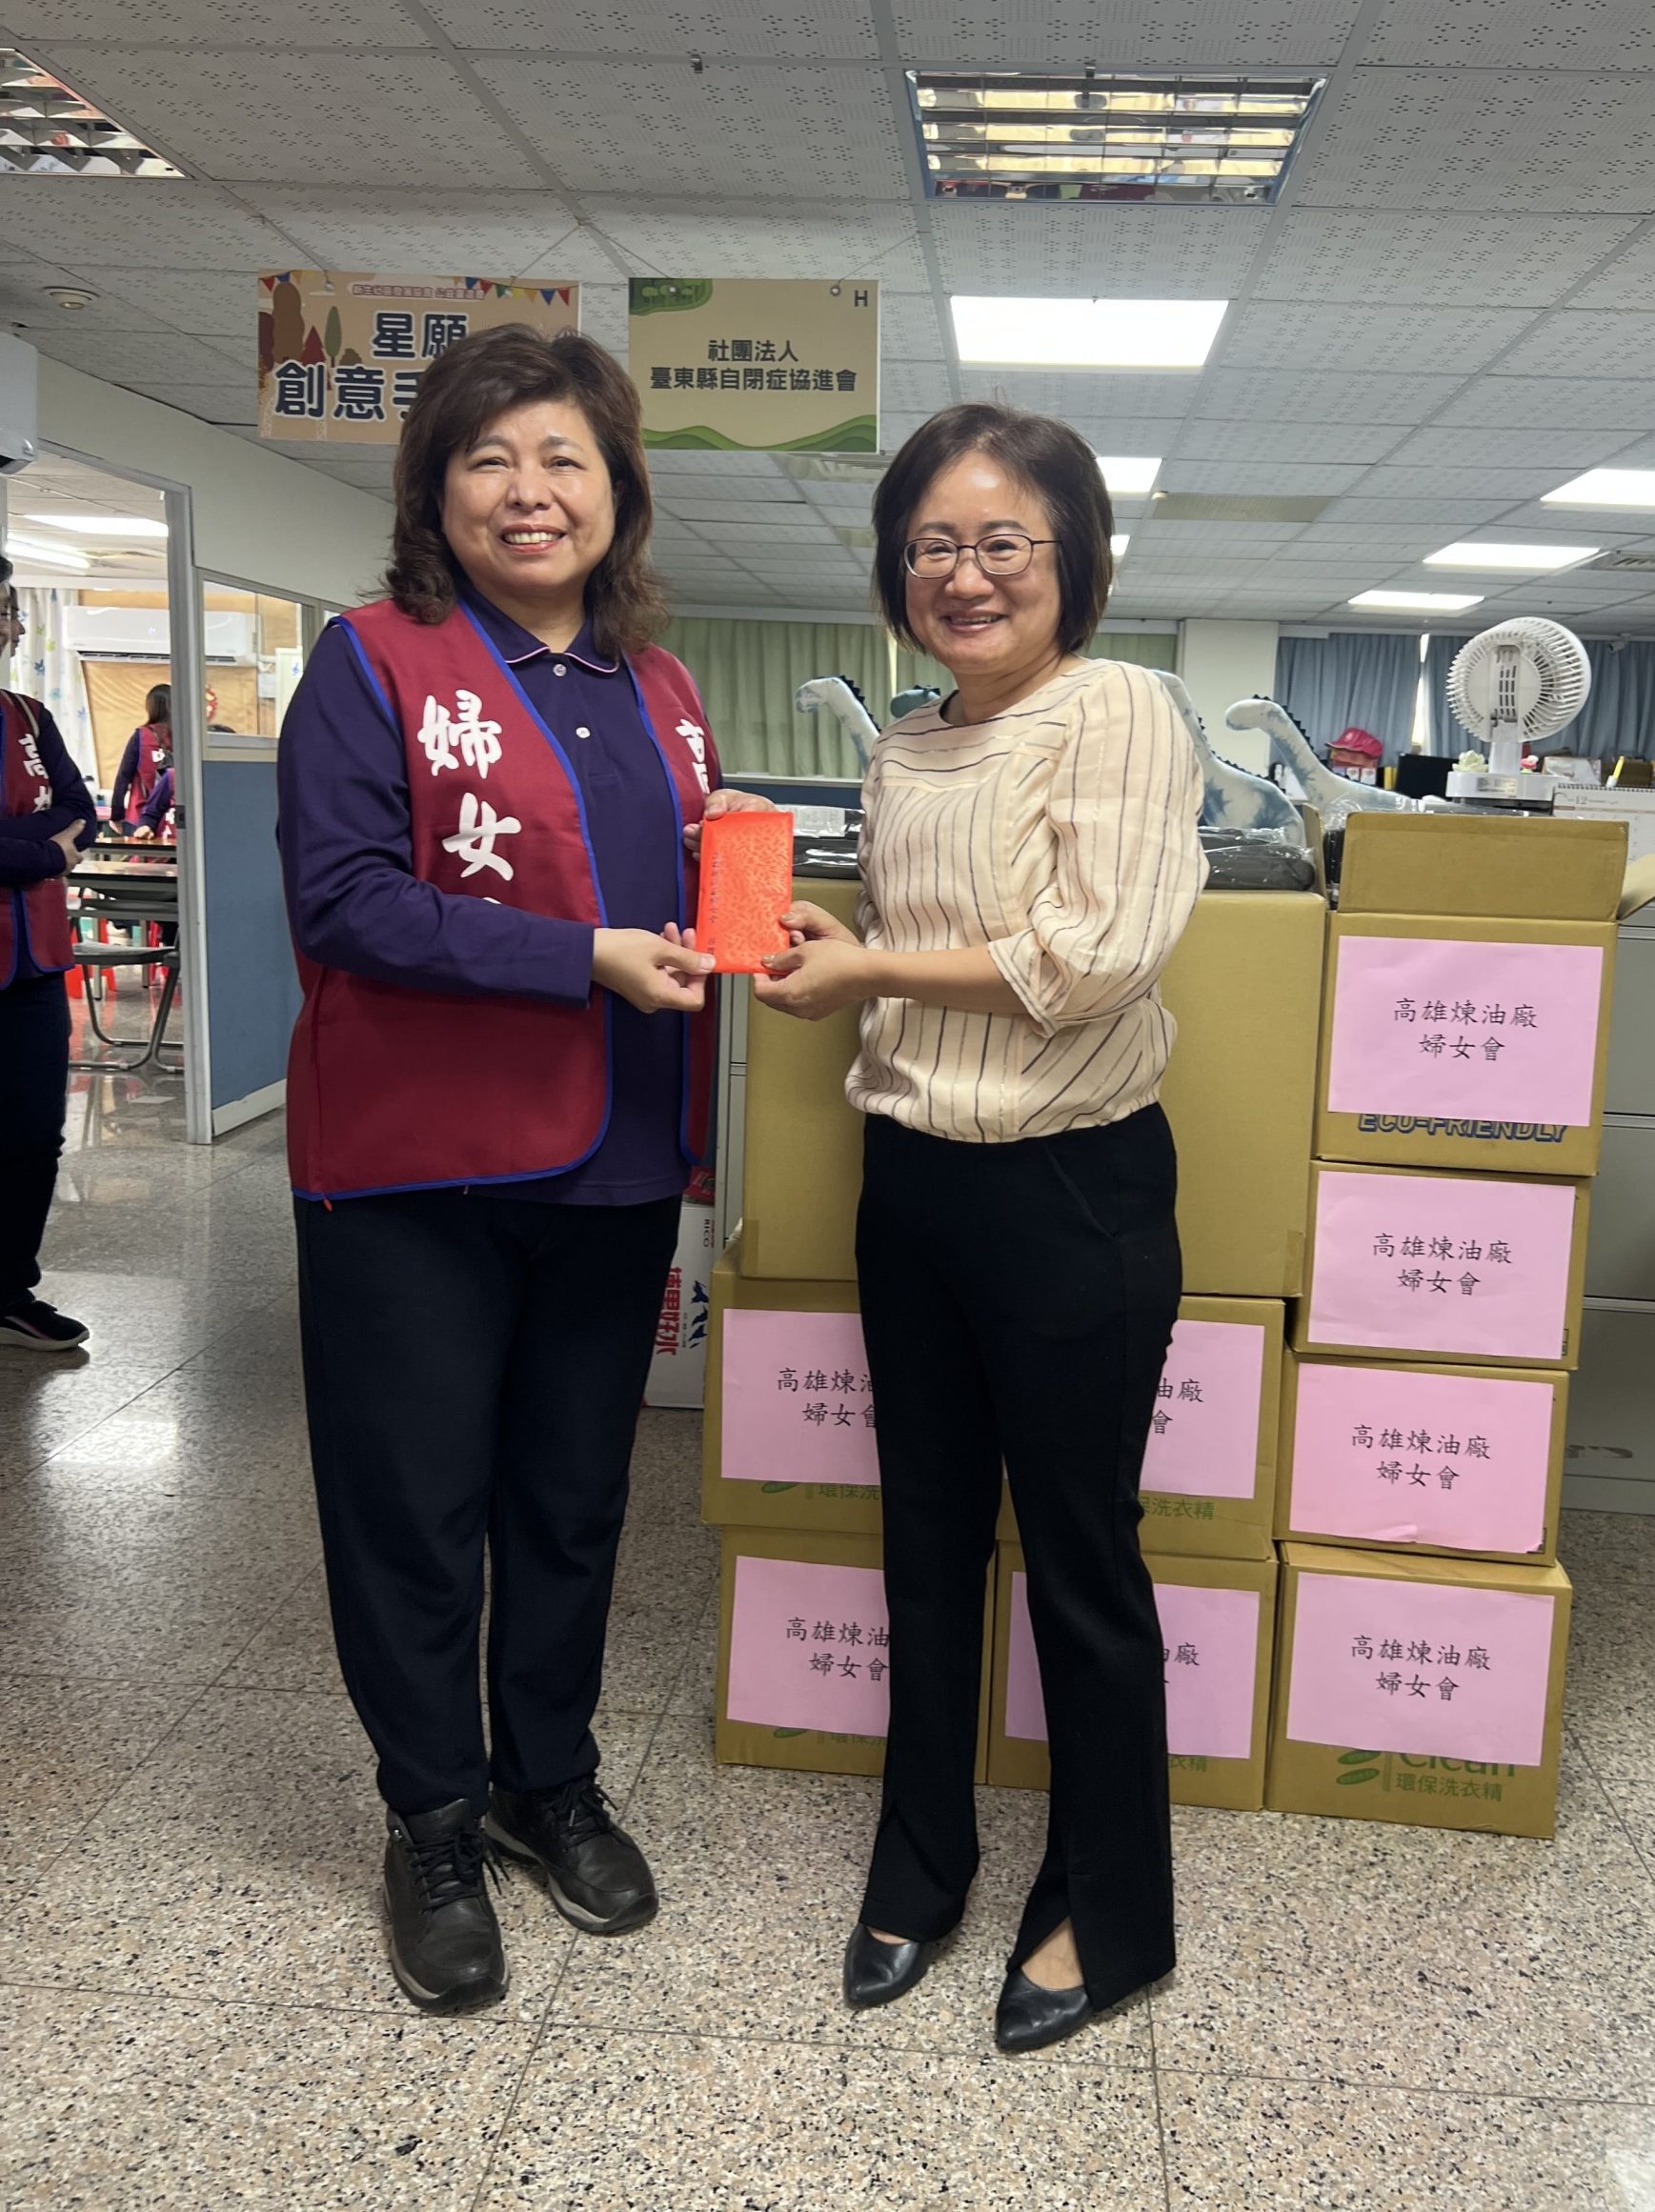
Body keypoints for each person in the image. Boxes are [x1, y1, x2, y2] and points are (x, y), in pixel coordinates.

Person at [276, 325, 770, 2016]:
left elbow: (681, 897)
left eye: (564, 456)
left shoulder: (663, 689)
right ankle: (430, 1819)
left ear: (619, 490)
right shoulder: (373, 659)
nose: (529, 490)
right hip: (413, 1173)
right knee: (416, 1507)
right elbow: (343, 898)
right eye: (488, 458)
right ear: (436, 491)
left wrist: (756, 929)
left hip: (613, 1162)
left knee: (571, 1500)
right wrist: (582, 959)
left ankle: (545, 1781)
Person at [754, 405, 1204, 2054]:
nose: (966, 574)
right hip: (915, 1180)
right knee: (926, 1540)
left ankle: (1109, 1906)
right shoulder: (904, 744)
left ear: (1074, 558)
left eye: (1004, 541)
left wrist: (873, 967)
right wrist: (824, 943)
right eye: (932, 544)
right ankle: (922, 1858)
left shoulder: (1122, 710)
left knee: (1080, 1554)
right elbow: (918, 944)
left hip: (1072, 1185)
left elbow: (1093, 956)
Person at [0, 556, 99, 1351]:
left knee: (35, 1133)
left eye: (7, 610)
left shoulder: (29, 716)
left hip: (34, 963)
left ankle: (9, 1290)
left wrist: (27, 845)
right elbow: (58, 832)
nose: (7, 625)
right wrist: (45, 852)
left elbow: (80, 809)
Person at [111, 682, 173, 835]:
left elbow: (123, 777)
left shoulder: (140, 736)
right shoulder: (185, 737)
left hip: (138, 816)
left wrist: (116, 814)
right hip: (172, 819)